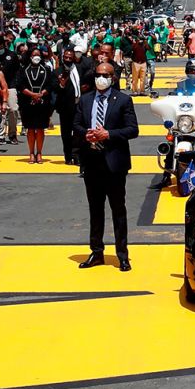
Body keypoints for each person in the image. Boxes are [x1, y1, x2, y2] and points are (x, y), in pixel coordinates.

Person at [73, 60, 139, 271]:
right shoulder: (85, 100)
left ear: (113, 78)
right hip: (92, 161)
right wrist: (87, 134)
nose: (101, 78)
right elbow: (76, 124)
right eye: (98, 74)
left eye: (106, 75)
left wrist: (108, 134)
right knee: (95, 209)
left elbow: (132, 129)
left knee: (118, 209)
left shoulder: (123, 100)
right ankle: (96, 251)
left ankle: (122, 254)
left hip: (114, 163)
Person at [15, 48, 56, 165]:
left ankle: (39, 152)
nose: (36, 57)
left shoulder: (46, 69)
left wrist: (41, 94)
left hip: (43, 103)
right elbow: (20, 85)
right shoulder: (23, 70)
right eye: (34, 55)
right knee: (31, 128)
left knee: (40, 128)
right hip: (28, 103)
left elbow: (51, 84)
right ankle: (31, 153)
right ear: (30, 56)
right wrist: (32, 95)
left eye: (38, 55)